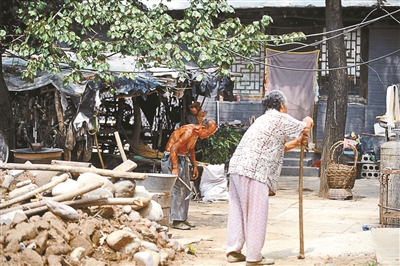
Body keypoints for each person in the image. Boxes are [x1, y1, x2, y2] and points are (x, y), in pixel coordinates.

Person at [225, 90, 314, 265]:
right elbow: (303, 127)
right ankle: (254, 256)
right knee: (257, 212)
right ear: (281, 105)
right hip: (255, 171)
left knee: (238, 212)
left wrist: (296, 143)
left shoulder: (262, 120)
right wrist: (308, 120)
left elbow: (273, 149)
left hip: (237, 168)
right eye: (286, 106)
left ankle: (234, 251)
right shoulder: (278, 117)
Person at [161, 118, 217, 230]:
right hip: (172, 158)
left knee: (186, 189)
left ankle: (182, 218)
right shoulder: (189, 131)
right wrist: (175, 168)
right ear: (202, 128)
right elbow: (173, 149)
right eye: (208, 133)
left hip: (182, 158)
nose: (208, 136)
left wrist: (194, 166)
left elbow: (191, 149)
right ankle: (176, 220)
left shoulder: (196, 134)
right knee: (177, 189)